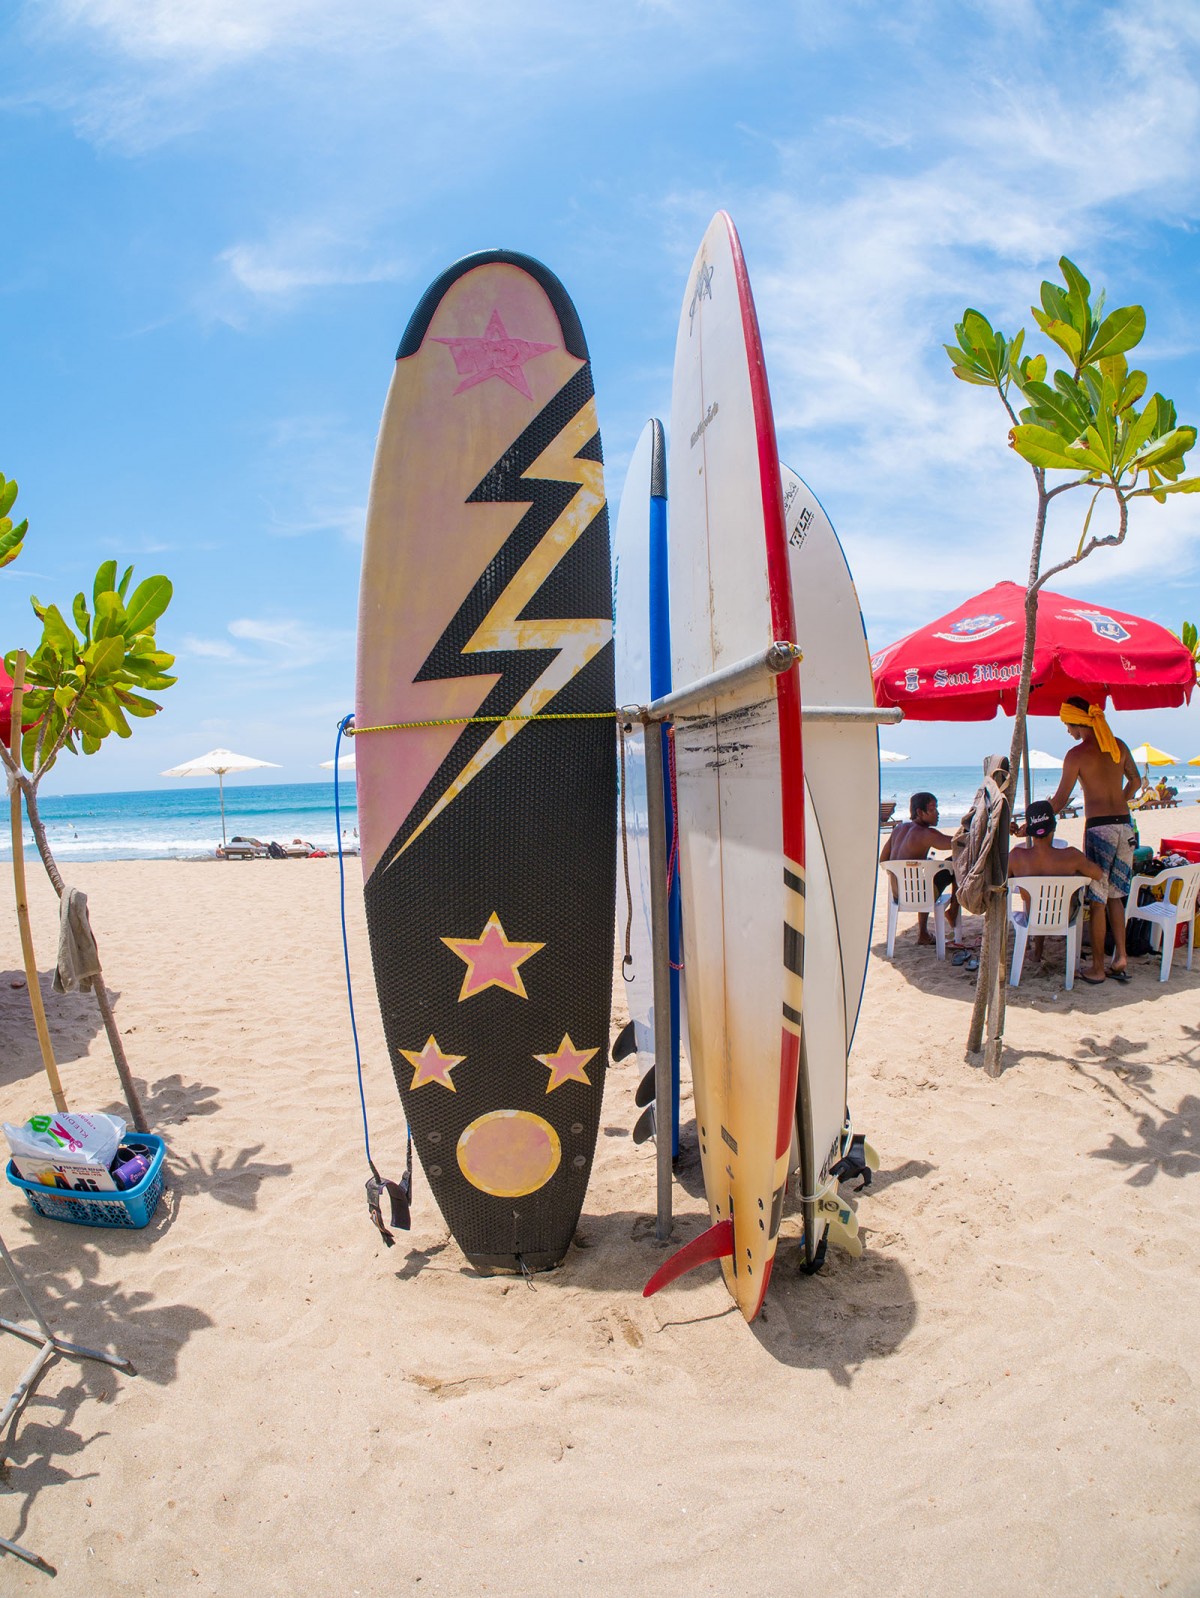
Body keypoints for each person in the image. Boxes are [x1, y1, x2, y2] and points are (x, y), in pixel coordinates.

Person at [1048, 697, 1141, 983]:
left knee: (1098, 899)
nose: (1067, 731)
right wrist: (1119, 804)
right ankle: (1121, 956)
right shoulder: (1119, 745)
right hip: (1125, 827)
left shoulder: (1076, 754)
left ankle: (1098, 967)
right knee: (1116, 895)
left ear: (1079, 722)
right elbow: (1136, 782)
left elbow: (1061, 800)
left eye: (1067, 725)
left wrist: (1036, 820)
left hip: (1099, 829)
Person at [1007, 799, 1103, 968]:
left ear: (1029, 831)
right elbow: (1098, 874)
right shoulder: (1072, 857)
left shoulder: (1016, 857)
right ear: (1054, 827)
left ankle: (1037, 953)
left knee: (1038, 900)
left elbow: (1001, 880)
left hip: (1033, 918)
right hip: (1064, 918)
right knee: (1059, 897)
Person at [880, 791, 960, 945]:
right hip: (920, 895)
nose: (937, 813)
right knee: (957, 861)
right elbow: (958, 844)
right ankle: (953, 910)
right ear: (919, 812)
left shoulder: (898, 829)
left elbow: (883, 860)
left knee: (922, 879)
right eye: (932, 809)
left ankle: (923, 933)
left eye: (936, 808)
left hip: (898, 895)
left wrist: (897, 869)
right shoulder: (927, 833)